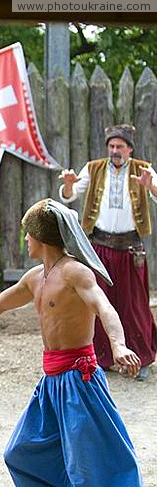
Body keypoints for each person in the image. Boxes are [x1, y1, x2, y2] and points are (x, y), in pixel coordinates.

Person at [0, 198, 143, 487]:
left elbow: (104, 307)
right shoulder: (35, 277)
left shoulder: (75, 272)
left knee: (90, 465)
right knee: (20, 453)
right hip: (51, 381)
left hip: (79, 379)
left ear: (41, 237)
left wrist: (119, 345)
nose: (25, 238)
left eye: (28, 233)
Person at [59, 124, 157, 381]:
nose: (115, 151)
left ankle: (141, 358)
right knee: (97, 301)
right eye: (111, 146)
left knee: (134, 305)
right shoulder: (94, 168)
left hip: (130, 248)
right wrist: (69, 186)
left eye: (120, 147)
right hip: (99, 247)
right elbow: (69, 196)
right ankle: (102, 357)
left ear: (130, 149)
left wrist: (150, 187)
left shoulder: (143, 169)